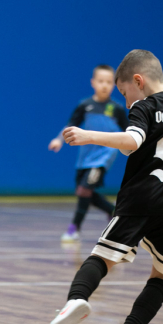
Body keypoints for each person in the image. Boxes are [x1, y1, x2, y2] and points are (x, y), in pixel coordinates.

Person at [43, 49, 163, 324]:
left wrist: (89, 136)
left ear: (138, 81)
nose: (125, 102)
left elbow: (132, 141)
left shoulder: (144, 106)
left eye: (124, 93)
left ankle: (75, 301)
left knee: (102, 258)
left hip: (141, 200)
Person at [49, 65, 128, 241]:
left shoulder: (117, 108)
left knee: (84, 190)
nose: (104, 85)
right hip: (85, 158)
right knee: (83, 191)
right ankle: (113, 211)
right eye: (101, 81)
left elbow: (129, 132)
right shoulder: (85, 105)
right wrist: (59, 139)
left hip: (103, 158)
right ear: (93, 82)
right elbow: (71, 124)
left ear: (114, 84)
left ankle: (74, 229)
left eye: (109, 82)